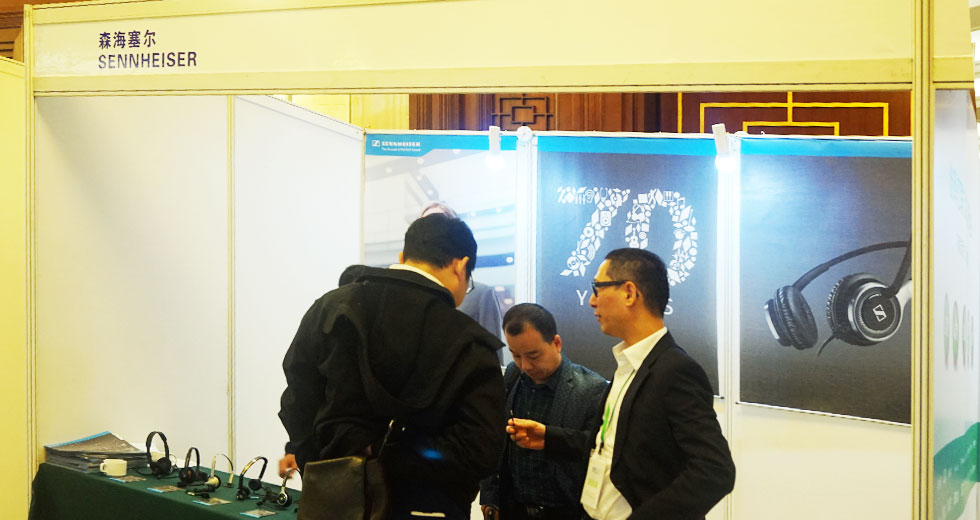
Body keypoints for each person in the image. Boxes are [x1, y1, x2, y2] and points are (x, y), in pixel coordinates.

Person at [278, 213, 507, 519]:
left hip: (333, 503)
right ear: (460, 266)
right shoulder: (469, 341)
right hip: (429, 508)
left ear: (403, 257)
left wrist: (321, 461)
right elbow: (480, 451)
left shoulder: (330, 308)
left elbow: (296, 401)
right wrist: (389, 457)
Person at [479, 303, 608, 520]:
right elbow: (496, 437)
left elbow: (600, 451)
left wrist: (550, 438)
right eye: (516, 355)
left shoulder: (592, 389)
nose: (525, 366)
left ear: (556, 343)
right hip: (513, 509)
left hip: (566, 512)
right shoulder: (512, 375)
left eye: (534, 355)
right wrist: (490, 495)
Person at [420, 202, 506, 360]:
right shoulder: (411, 291)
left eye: (439, 221)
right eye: (425, 222)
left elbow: (492, 357)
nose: (432, 228)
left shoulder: (480, 294)